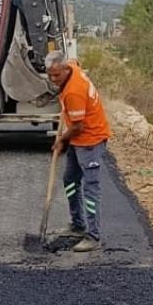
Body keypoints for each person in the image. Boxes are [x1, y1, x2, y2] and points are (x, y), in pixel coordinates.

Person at [45, 51, 111, 253]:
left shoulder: (74, 91)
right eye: (50, 74)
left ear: (65, 70)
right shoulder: (72, 66)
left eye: (56, 75)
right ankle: (77, 224)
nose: (53, 79)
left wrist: (61, 139)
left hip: (90, 139)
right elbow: (77, 61)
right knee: (70, 180)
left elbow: (79, 127)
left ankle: (93, 236)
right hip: (77, 139)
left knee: (90, 188)